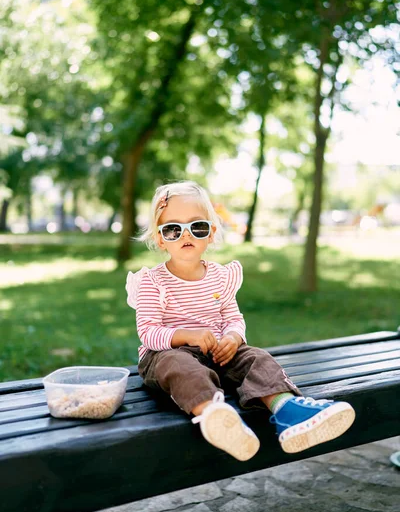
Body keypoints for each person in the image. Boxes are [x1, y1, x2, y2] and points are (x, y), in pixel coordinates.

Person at [126, 180, 355, 461]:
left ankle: (286, 409)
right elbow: (148, 332)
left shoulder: (221, 277)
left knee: (256, 357)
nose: (185, 235)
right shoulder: (152, 281)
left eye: (196, 226)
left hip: (217, 353)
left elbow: (233, 317)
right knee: (180, 365)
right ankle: (216, 416)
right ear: (160, 239)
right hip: (167, 354)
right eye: (173, 229)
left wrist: (234, 338)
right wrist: (187, 335)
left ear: (210, 232)